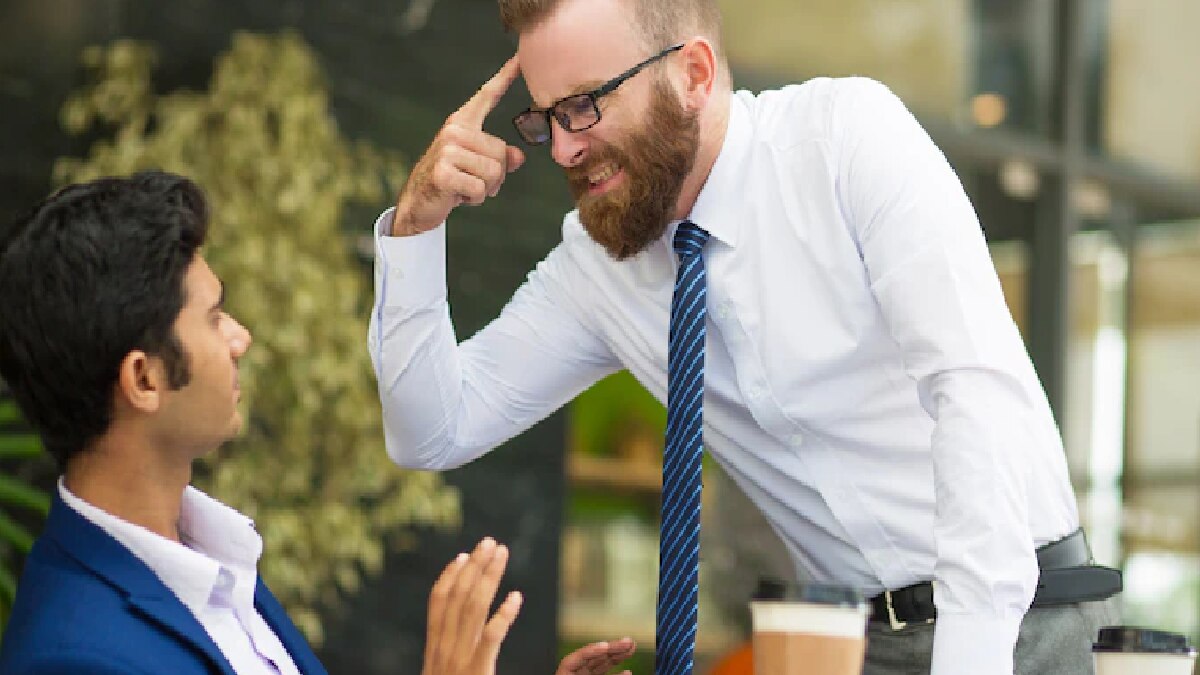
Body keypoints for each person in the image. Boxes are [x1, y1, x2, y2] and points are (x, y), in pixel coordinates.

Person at [367, 0, 1123, 673]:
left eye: (585, 105)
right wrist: (416, 226)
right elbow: (432, 429)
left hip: (1024, 624)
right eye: (544, 118)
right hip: (850, 648)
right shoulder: (598, 269)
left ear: (693, 74)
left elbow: (971, 392)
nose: (562, 149)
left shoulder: (845, 141)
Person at [0, 172, 636, 675]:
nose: (240, 338)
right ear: (144, 380)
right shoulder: (76, 655)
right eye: (216, 318)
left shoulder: (210, 560)